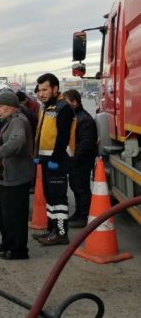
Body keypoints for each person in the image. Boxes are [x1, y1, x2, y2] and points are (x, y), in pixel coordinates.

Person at [0, 91, 35, 260]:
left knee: (15, 216)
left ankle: (18, 250)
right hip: (5, 178)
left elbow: (16, 142)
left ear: (11, 107)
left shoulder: (18, 121)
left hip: (16, 177)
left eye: (0, 106)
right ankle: (7, 242)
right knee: (4, 213)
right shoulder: (8, 120)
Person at [33, 73, 76, 246]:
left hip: (57, 160)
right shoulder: (45, 107)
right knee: (49, 196)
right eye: (39, 90)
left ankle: (61, 233)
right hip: (45, 158)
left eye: (45, 89)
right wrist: (37, 155)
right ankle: (51, 229)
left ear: (55, 89)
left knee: (58, 198)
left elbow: (63, 136)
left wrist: (56, 159)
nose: (41, 93)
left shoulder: (62, 107)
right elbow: (41, 133)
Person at [63, 89, 98, 228]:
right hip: (73, 160)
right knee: (75, 187)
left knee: (82, 188)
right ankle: (78, 213)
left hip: (81, 161)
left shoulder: (84, 119)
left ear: (74, 102)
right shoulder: (73, 117)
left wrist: (74, 159)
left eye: (66, 103)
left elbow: (86, 143)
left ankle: (84, 216)